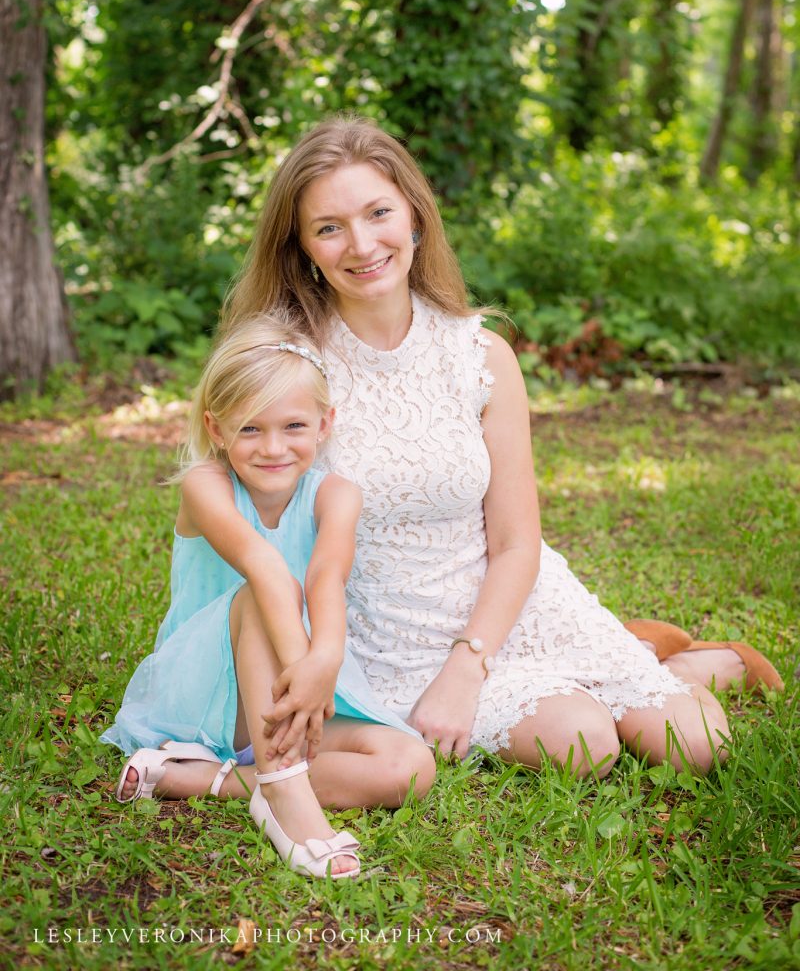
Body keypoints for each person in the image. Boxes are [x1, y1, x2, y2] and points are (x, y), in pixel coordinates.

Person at [162, 115, 783, 785]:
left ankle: (675, 661)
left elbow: (518, 542)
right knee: (584, 747)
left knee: (697, 747)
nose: (362, 243)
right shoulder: (284, 365)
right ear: (302, 246)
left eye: (379, 213)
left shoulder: (480, 355)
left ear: (416, 219)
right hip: (378, 639)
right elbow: (232, 521)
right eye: (329, 227)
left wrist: (467, 665)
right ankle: (646, 651)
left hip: (505, 602)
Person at [101, 314, 435, 880]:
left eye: (294, 426)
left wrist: (323, 666)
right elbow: (268, 571)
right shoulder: (205, 486)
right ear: (216, 428)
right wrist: (308, 669)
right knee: (260, 590)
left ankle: (205, 780)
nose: (273, 447)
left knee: (411, 766)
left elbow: (325, 578)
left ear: (326, 423)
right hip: (209, 696)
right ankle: (288, 803)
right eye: (250, 430)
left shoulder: (336, 494)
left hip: (294, 690)